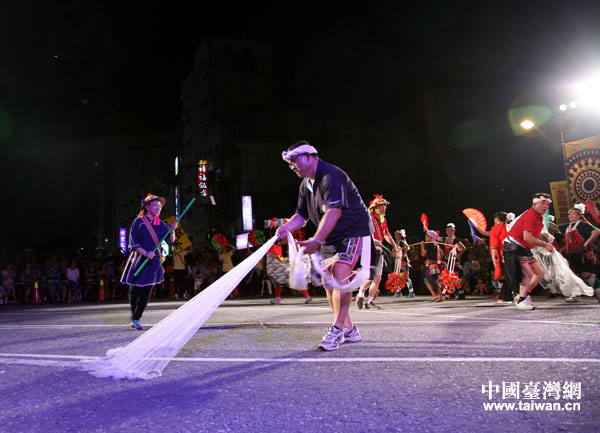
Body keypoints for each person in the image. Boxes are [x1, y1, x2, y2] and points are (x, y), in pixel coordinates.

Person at [276, 140, 372, 351]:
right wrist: (285, 228)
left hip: (353, 231)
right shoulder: (305, 185)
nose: (293, 166)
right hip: (331, 236)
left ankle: (336, 330)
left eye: (295, 160)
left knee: (340, 275)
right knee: (328, 283)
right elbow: (301, 216)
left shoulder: (331, 176)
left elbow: (334, 211)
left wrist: (316, 240)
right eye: (289, 163)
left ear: (311, 156)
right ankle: (350, 330)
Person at [121, 194, 177, 329]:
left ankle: (136, 318)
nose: (158, 208)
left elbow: (171, 241)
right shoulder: (138, 222)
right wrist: (146, 253)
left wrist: (173, 231)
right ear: (147, 207)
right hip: (139, 260)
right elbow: (133, 243)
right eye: (155, 205)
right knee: (135, 290)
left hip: (154, 262)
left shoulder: (161, 224)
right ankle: (133, 315)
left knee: (146, 291)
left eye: (160, 206)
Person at [503, 192, 554, 310]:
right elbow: (527, 237)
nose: (545, 206)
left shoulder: (538, 216)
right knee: (528, 274)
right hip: (514, 246)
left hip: (523, 247)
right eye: (543, 203)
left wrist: (543, 236)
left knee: (540, 273)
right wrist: (545, 244)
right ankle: (522, 299)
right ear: (535, 203)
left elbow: (530, 234)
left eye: (547, 204)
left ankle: (523, 295)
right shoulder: (531, 215)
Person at [356, 195, 398, 310]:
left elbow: (386, 234)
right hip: (369, 249)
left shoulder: (383, 219)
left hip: (379, 250)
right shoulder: (368, 218)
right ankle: (360, 294)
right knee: (371, 276)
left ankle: (369, 301)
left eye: (384, 206)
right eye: (381, 206)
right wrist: (371, 239)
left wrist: (394, 246)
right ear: (374, 208)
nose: (384, 208)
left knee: (378, 278)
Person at [559, 203, 600, 302]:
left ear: (579, 215)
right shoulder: (567, 226)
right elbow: (555, 228)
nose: (571, 216)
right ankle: (576, 294)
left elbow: (596, 232)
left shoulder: (583, 225)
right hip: (571, 254)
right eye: (569, 214)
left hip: (582, 253)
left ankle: (599, 291)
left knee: (586, 273)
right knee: (573, 274)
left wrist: (587, 242)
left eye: (573, 214)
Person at [443, 223, 466, 299]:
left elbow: (463, 248)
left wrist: (458, 256)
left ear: (453, 231)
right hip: (448, 261)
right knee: (449, 277)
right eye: (448, 230)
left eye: (451, 231)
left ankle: (461, 293)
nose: (449, 232)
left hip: (454, 261)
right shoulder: (445, 239)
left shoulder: (455, 240)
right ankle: (451, 293)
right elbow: (436, 238)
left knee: (456, 277)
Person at [421, 231, 442, 302]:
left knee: (426, 279)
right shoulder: (435, 244)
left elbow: (423, 254)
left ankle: (434, 295)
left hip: (430, 265)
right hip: (435, 264)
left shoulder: (428, 244)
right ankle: (440, 296)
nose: (425, 238)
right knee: (435, 280)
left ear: (430, 237)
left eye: (426, 236)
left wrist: (422, 246)